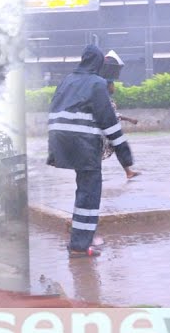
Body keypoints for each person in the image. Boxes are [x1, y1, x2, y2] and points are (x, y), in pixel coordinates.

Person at [47, 44, 139, 258]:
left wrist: (53, 151)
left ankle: (81, 240)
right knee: (89, 195)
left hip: (61, 141)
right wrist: (126, 158)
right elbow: (110, 123)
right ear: (98, 64)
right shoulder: (97, 84)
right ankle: (80, 246)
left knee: (84, 190)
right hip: (83, 143)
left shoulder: (66, 81)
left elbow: (54, 110)